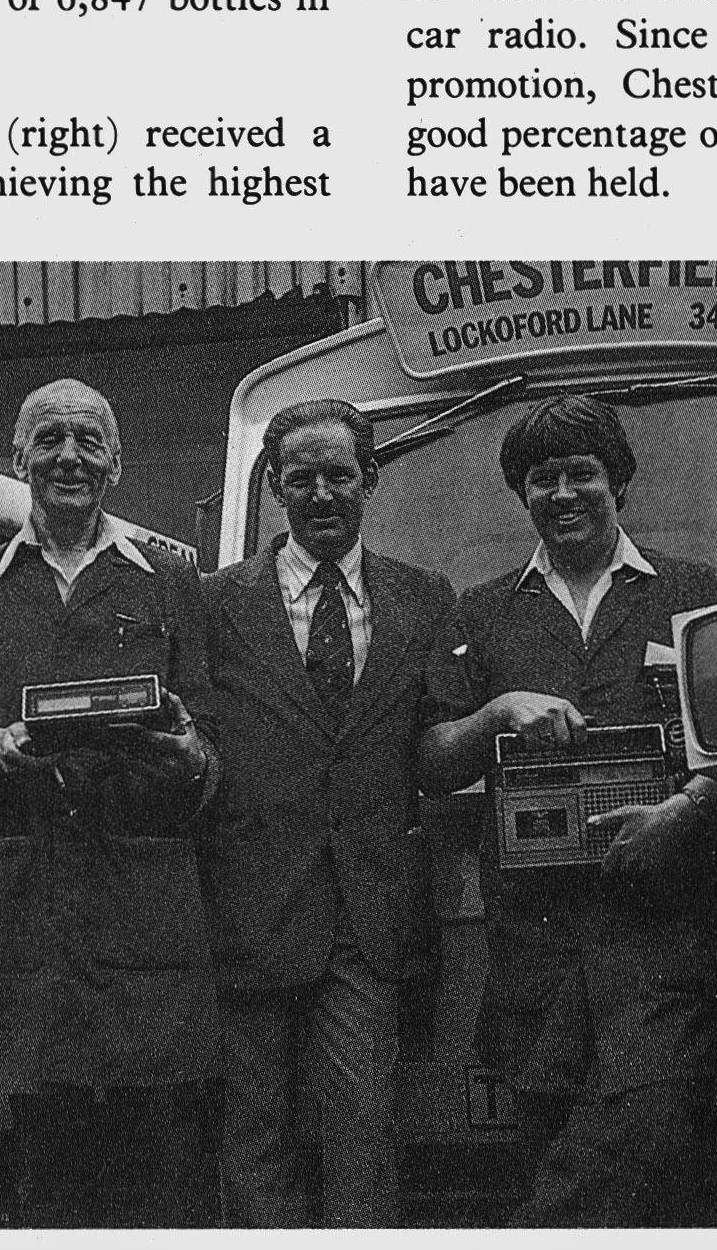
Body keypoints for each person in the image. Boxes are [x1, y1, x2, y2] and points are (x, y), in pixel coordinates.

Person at [0, 379, 219, 1227]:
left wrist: (191, 755)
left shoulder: (173, 583)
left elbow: (220, 746)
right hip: (29, 921)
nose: (68, 457)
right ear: (19, 460)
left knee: (167, 1176)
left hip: (149, 921)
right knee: (50, 1180)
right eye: (49, 440)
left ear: (115, 463)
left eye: (88, 441)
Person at [418, 394, 717, 1226]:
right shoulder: (479, 613)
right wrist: (494, 714)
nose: (562, 493)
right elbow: (429, 759)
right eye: (540, 478)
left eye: (581, 474)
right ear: (521, 494)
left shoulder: (694, 591)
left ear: (618, 483)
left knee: (644, 1144)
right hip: (537, 953)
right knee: (552, 1147)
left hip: (663, 938)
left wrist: (683, 812)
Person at [201, 398, 455, 1226]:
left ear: (370, 479)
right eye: (300, 478)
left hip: (368, 913)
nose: (320, 494)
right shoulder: (214, 604)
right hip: (250, 906)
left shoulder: (422, 598)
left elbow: (435, 742)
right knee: (256, 1133)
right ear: (274, 489)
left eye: (338, 474)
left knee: (362, 1127)